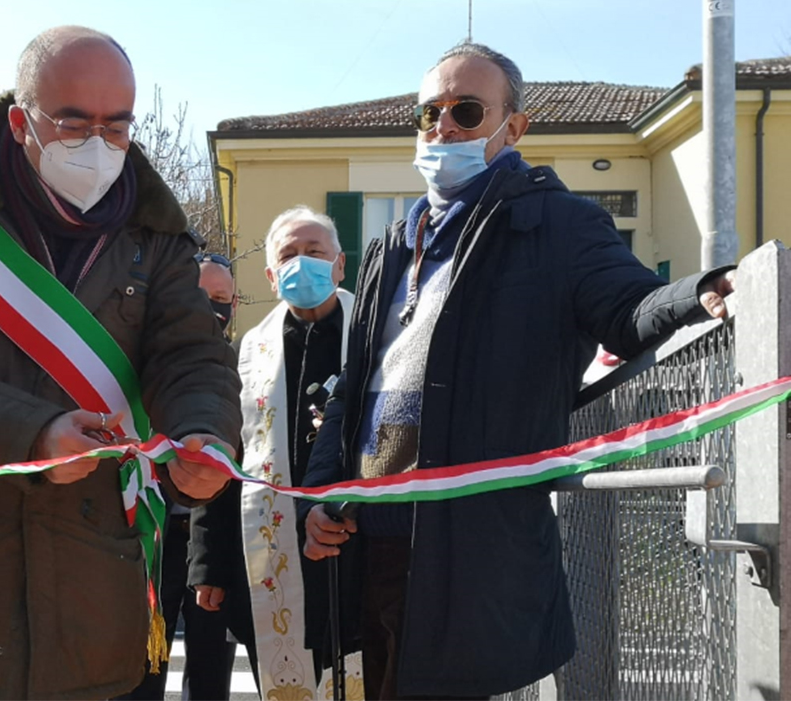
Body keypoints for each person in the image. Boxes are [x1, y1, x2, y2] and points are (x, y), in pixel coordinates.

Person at [298, 42, 737, 700]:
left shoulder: (560, 226)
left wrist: (699, 290)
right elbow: (359, 388)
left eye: (466, 111)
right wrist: (324, 489)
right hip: (375, 541)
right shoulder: (390, 246)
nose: (443, 127)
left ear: (514, 127)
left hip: (470, 552)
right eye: (429, 113)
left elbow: (629, 304)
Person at [0, 26, 241, 700]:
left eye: (117, 126)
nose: (98, 145)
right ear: (21, 121)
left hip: (100, 576)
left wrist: (205, 434)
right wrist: (35, 434)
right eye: (74, 122)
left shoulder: (159, 232)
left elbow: (191, 353)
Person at [190, 207, 362, 700]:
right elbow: (223, 456)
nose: (302, 263)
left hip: (357, 551)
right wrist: (207, 563)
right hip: (269, 553)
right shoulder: (247, 351)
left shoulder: (375, 337)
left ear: (339, 264)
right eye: (289, 255)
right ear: (270, 273)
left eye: (315, 252)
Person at [127, 252, 240, 701]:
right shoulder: (141, 363)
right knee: (142, 669)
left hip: (213, 545)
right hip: (148, 537)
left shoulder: (246, 363)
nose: (211, 308)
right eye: (200, 296)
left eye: (221, 298)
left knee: (211, 673)